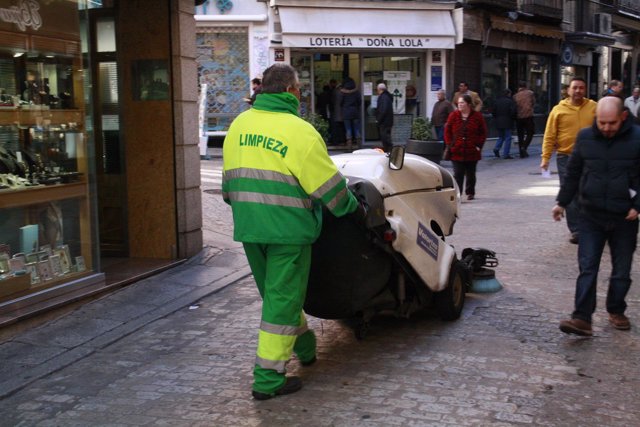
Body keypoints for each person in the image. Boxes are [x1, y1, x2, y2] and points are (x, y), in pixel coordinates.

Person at [222, 64, 364, 399]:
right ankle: (268, 380)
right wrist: (355, 212)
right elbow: (331, 191)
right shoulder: (299, 131)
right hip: (288, 230)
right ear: (290, 91)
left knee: (277, 298)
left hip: (250, 227)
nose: (300, 95)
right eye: (299, 89)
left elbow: (228, 187)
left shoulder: (239, 125)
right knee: (282, 301)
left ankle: (305, 346)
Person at [553, 96, 640, 336]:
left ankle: (616, 309)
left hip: (625, 217)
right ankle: (582, 318)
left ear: (623, 117)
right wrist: (561, 202)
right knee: (588, 267)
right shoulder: (585, 137)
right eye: (601, 123)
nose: (606, 128)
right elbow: (573, 172)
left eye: (611, 123)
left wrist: (638, 204)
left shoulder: (637, 138)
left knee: (621, 270)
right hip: (590, 215)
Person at [541, 77, 597, 244]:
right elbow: (550, 135)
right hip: (566, 157)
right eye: (575, 88)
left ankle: (592, 225)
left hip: (590, 157)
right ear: (568, 90)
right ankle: (577, 230)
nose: (578, 91)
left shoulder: (594, 107)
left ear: (585, 90)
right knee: (571, 193)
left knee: (589, 191)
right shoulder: (558, 110)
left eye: (581, 88)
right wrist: (545, 158)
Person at [444, 94, 488, 200]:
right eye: (458, 103)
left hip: (472, 150)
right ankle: (457, 194)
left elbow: (483, 132)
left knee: (470, 174)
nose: (459, 105)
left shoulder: (477, 116)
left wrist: (478, 145)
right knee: (458, 173)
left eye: (462, 103)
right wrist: (450, 144)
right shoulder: (453, 116)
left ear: (468, 104)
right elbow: (447, 131)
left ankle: (470, 192)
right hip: (457, 150)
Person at [492, 89, 517, 159]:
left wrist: (496, 118)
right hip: (507, 121)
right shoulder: (510, 102)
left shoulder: (497, 101)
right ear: (508, 94)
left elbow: (493, 111)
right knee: (508, 138)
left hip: (498, 121)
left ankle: (496, 148)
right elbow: (513, 112)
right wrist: (513, 118)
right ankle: (506, 154)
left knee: (501, 137)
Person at [513, 81, 536, 158]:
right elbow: (533, 103)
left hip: (519, 117)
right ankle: (524, 147)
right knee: (531, 132)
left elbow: (514, 106)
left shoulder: (515, 96)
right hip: (528, 116)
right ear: (526, 86)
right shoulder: (530, 93)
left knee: (520, 135)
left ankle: (521, 153)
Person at [341, 77, 361, 148]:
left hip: (346, 112)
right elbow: (359, 101)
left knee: (348, 129)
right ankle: (359, 144)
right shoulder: (356, 92)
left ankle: (349, 145)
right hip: (355, 112)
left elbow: (341, 102)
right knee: (356, 128)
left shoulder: (343, 92)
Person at [375, 82, 394, 151]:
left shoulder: (383, 97)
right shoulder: (387, 96)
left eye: (377, 90)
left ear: (380, 89)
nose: (377, 91)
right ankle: (389, 151)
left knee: (385, 138)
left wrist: (378, 119)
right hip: (388, 121)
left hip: (384, 121)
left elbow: (383, 109)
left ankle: (390, 151)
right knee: (386, 137)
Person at [329, 79, 345, 145]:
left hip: (336, 113)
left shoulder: (335, 92)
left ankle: (335, 141)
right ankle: (342, 141)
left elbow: (332, 102)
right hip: (343, 113)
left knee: (335, 128)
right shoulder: (344, 92)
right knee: (342, 128)